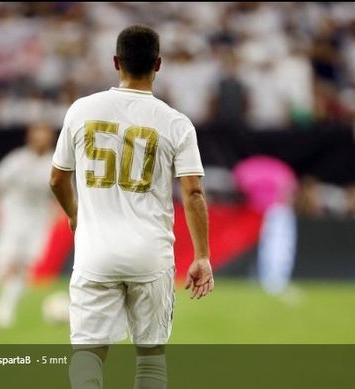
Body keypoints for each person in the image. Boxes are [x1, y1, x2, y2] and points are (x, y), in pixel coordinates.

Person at [49, 25, 213, 389]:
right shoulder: (175, 123)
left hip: (96, 253)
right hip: (150, 256)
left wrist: (76, 216)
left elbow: (58, 179)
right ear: (158, 64)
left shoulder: (82, 110)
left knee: (89, 356)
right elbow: (194, 193)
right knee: (150, 359)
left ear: (115, 62)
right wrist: (201, 256)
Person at [0, 123, 57, 328]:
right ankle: (2, 305)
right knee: (6, 263)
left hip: (39, 218)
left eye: (44, 133)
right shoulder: (17, 160)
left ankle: (6, 304)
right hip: (13, 215)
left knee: (26, 264)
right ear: (30, 136)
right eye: (37, 133)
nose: (40, 138)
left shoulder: (55, 162)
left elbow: (63, 191)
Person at [233, 156, 298, 296]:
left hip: (272, 212)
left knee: (277, 248)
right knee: (274, 248)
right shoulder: (249, 169)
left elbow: (288, 194)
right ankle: (270, 281)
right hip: (259, 213)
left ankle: (274, 281)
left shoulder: (279, 171)